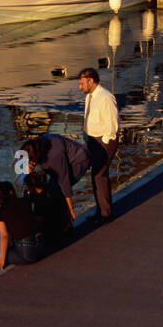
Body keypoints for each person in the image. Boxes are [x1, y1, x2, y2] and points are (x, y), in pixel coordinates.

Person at [78, 67, 119, 221]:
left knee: (99, 175)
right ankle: (101, 210)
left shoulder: (105, 97)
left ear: (91, 81)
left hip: (104, 141)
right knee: (96, 176)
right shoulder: (90, 96)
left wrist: (105, 141)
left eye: (82, 83)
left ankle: (105, 213)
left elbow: (112, 124)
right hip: (93, 141)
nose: (79, 87)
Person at [21, 134, 90, 224]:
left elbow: (64, 181)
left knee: (58, 190)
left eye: (31, 161)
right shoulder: (38, 144)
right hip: (61, 158)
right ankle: (56, 220)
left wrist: (70, 209)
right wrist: (30, 168)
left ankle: (66, 222)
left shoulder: (54, 155)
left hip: (78, 160)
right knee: (50, 190)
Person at [24, 170, 69, 251]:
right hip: (60, 227)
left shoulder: (42, 200)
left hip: (50, 234)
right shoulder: (50, 190)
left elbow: (38, 219)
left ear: (32, 187)